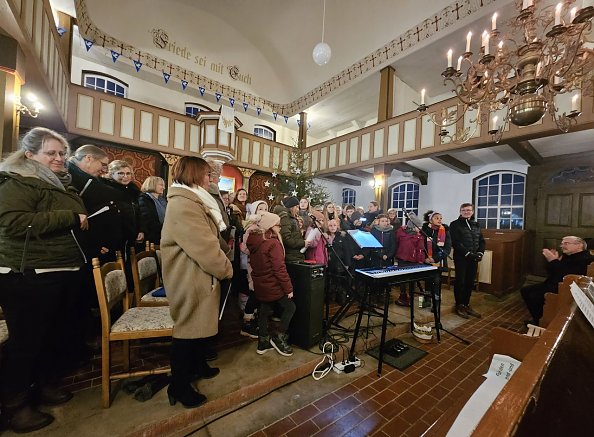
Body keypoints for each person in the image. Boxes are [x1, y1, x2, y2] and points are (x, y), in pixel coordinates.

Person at [0, 127, 88, 433]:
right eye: (51, 153)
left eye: (62, 153)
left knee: (52, 335)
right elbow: (12, 222)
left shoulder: (59, 183)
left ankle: (43, 386)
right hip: (28, 273)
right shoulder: (19, 180)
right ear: (29, 155)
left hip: (57, 269)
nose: (59, 158)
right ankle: (15, 406)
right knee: (26, 342)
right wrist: (68, 217)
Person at [160, 156, 233, 408]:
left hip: (199, 272)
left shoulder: (194, 199)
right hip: (189, 275)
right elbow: (203, 246)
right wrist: (227, 268)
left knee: (200, 325)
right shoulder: (183, 204)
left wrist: (225, 251)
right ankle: (178, 386)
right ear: (193, 175)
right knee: (187, 330)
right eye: (205, 174)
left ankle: (198, 365)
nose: (209, 178)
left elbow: (212, 235)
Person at [246, 212, 296, 357]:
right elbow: (279, 269)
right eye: (277, 224)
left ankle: (263, 342)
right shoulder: (272, 243)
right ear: (270, 226)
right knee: (290, 307)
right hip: (272, 284)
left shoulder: (255, 240)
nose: (280, 227)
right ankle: (278, 337)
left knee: (265, 310)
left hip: (261, 284)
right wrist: (289, 289)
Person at [521, 236, 593, 326]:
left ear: (579, 245)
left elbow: (566, 276)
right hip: (554, 283)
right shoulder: (568, 256)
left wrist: (553, 260)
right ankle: (540, 319)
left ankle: (543, 322)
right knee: (526, 290)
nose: (562, 246)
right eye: (562, 243)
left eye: (566, 243)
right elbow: (553, 272)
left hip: (568, 289)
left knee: (533, 295)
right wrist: (552, 261)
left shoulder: (586, 259)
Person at [239, 200, 269, 338]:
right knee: (254, 292)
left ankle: (254, 319)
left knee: (260, 293)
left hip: (265, 265)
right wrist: (257, 250)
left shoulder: (267, 227)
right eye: (260, 209)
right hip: (254, 264)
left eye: (265, 208)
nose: (263, 211)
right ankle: (246, 323)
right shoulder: (251, 228)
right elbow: (244, 247)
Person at [449, 203, 485, 319]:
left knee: (470, 282)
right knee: (461, 281)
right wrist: (468, 254)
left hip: (473, 258)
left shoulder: (476, 224)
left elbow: (481, 241)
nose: (466, 212)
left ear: (472, 212)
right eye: (464, 210)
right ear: (460, 211)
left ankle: (466, 304)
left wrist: (480, 253)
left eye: (469, 210)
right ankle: (459, 305)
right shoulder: (455, 224)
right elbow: (456, 242)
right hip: (461, 258)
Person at [104, 160, 144, 250]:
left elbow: (138, 212)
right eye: (121, 173)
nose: (125, 176)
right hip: (113, 237)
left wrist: (141, 230)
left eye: (128, 173)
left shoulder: (133, 191)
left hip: (131, 236)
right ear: (111, 174)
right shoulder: (106, 190)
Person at [422, 210, 452, 308]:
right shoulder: (425, 230)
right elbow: (421, 245)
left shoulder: (445, 231)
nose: (439, 220)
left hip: (438, 260)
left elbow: (447, 248)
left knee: (437, 282)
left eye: (440, 218)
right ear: (430, 220)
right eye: (436, 218)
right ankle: (424, 301)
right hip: (425, 260)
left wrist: (434, 259)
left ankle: (436, 304)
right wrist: (425, 258)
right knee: (425, 281)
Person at [394, 215, 426, 306]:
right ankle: (403, 296)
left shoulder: (419, 236)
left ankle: (415, 300)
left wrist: (420, 260)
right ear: (412, 226)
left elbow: (420, 249)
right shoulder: (400, 232)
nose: (419, 229)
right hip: (402, 258)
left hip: (414, 260)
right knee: (403, 279)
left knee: (414, 281)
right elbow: (396, 243)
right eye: (418, 227)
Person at [273, 196, 308, 263]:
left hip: (295, 255)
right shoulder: (285, 218)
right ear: (291, 207)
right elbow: (286, 239)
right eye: (297, 207)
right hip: (290, 256)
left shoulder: (291, 218)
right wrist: (303, 243)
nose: (298, 210)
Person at [138, 176, 167, 246]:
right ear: (152, 184)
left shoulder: (163, 200)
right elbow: (146, 219)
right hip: (150, 237)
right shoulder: (143, 199)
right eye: (161, 185)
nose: (164, 188)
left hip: (163, 235)